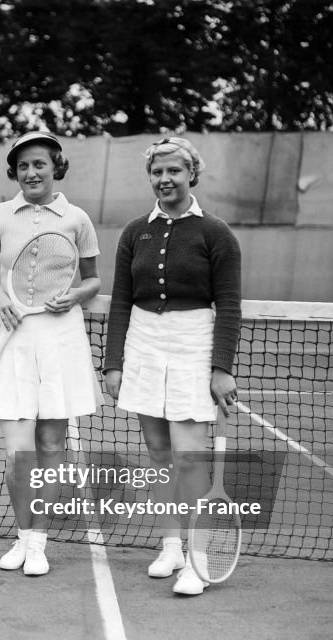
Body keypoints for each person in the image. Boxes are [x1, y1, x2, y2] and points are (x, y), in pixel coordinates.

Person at [102, 137, 242, 596]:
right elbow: (121, 301)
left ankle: (197, 561)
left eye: (174, 172)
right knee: (159, 457)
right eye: (157, 172)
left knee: (188, 457)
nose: (165, 180)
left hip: (193, 345)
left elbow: (230, 305)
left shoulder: (216, 233)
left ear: (191, 175)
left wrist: (221, 367)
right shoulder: (134, 231)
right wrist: (113, 363)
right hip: (143, 344)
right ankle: (170, 546)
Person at [0, 132, 103, 576]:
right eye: (23, 166)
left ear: (55, 167)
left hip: (60, 339)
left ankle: (37, 542)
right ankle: (23, 533)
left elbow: (92, 280)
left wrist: (75, 296)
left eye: (40, 165)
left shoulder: (77, 219)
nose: (31, 173)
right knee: (17, 454)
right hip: (12, 338)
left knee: (50, 444)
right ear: (15, 170)